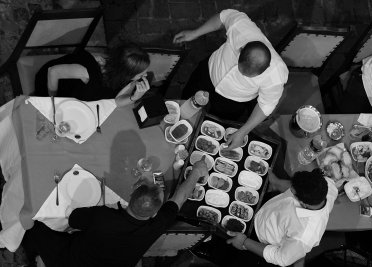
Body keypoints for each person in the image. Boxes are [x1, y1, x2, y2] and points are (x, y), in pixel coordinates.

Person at [21, 157, 208, 267]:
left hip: (69, 260)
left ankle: (29, 256)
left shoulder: (103, 216)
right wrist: (197, 172)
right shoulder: (156, 225)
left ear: (130, 197)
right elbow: (180, 197)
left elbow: (74, 219)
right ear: (154, 214)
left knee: (33, 226)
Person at [173, 9, 288, 149]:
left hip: (233, 100)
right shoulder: (241, 27)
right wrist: (195, 33)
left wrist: (243, 132)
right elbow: (223, 17)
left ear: (266, 69)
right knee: (186, 100)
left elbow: (266, 105)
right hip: (208, 72)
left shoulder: (276, 75)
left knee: (216, 124)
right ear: (241, 50)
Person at [225, 169, 338, 266]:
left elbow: (280, 258)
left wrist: (245, 241)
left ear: (304, 203)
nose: (290, 190)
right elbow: (297, 187)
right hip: (267, 209)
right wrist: (276, 183)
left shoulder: (304, 236)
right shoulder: (328, 185)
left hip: (261, 237)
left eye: (293, 191)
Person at [34, 42, 150, 107]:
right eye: (140, 74)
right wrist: (53, 99)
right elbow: (52, 71)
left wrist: (134, 97)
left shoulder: (124, 77)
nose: (144, 76)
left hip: (79, 98)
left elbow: (117, 101)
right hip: (53, 85)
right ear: (125, 72)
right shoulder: (89, 70)